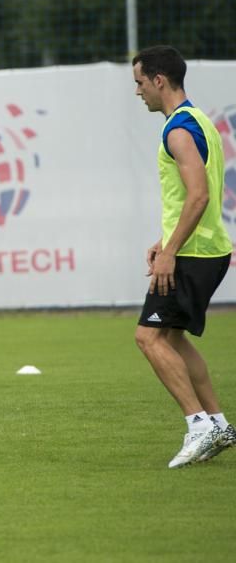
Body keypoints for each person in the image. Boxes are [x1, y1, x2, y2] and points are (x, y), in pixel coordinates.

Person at [131, 45, 235, 468]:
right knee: (172, 338)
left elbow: (200, 195)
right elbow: (192, 199)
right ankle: (219, 423)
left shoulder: (177, 130)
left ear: (159, 80)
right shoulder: (200, 122)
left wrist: (170, 251)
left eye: (139, 83)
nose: (137, 92)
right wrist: (165, 238)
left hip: (192, 254)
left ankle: (199, 426)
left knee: (148, 337)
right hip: (203, 249)